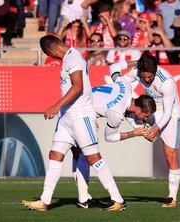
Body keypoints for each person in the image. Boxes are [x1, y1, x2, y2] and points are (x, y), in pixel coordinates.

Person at [21, 35, 125, 211]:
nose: (52, 58)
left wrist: (56, 105)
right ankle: (45, 201)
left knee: (93, 158)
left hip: (81, 116)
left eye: (50, 55)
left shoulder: (73, 58)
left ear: (51, 51)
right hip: (67, 118)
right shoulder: (69, 58)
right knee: (55, 154)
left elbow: (78, 86)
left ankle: (118, 200)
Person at [112, 52, 180, 208]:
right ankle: (142, 129)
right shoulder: (137, 71)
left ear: (155, 71)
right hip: (151, 107)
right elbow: (123, 83)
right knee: (128, 108)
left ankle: (172, 197)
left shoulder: (167, 82)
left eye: (150, 77)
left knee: (169, 153)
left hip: (169, 112)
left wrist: (156, 128)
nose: (147, 80)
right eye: (145, 77)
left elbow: (168, 112)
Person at [73, 78, 157, 208]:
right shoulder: (116, 113)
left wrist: (139, 128)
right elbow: (110, 137)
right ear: (138, 109)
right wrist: (134, 133)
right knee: (89, 155)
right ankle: (114, 199)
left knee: (76, 153)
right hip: (77, 114)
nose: (146, 119)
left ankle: (83, 199)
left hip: (77, 104)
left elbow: (115, 68)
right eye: (146, 116)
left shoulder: (127, 86)